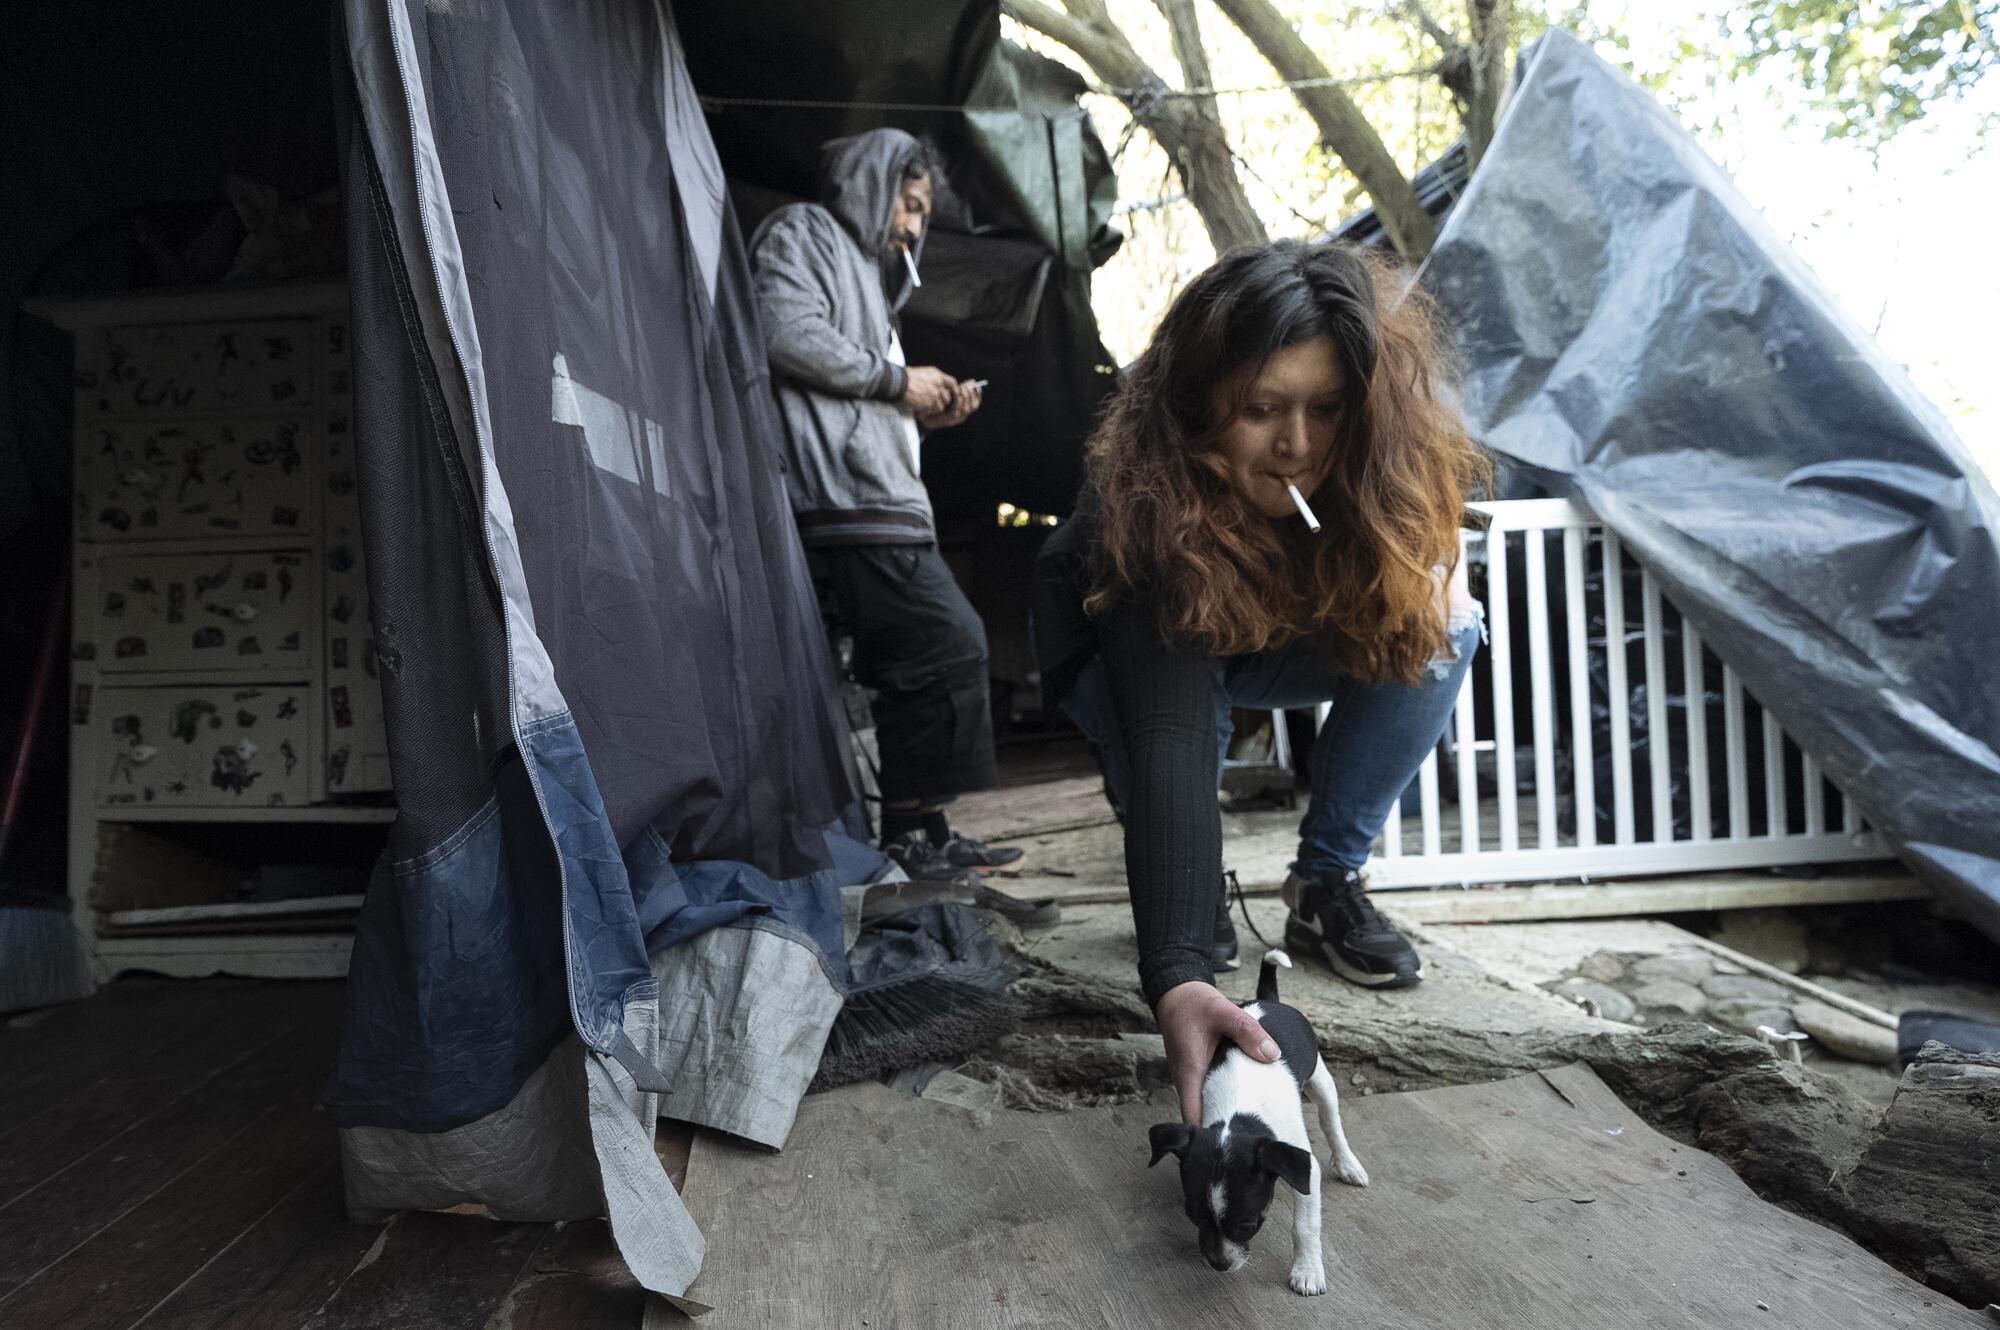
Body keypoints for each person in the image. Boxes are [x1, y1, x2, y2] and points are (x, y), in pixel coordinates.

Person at [1033, 240, 1488, 1121]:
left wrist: (1416, 568)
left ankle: (1324, 886)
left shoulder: (1381, 458)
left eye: (1326, 408)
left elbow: (1413, 591)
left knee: (1444, 622)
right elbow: (1169, 722)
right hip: (1115, 657)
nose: (1297, 445)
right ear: (1202, 404)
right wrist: (1178, 976)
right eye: (1262, 409)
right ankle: (1168, 852)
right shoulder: (1144, 492)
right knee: (1185, 881)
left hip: (1272, 636)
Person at [749, 128, 1023, 884]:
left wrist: (923, 410)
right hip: (845, 504)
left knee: (920, 659)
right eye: (908, 205)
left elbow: (864, 393)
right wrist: (897, 382)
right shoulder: (804, 232)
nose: (912, 228)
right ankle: (906, 831)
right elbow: (782, 330)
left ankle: (923, 830)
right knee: (945, 645)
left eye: (921, 216)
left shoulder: (873, 288)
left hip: (885, 505)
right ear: (872, 185)